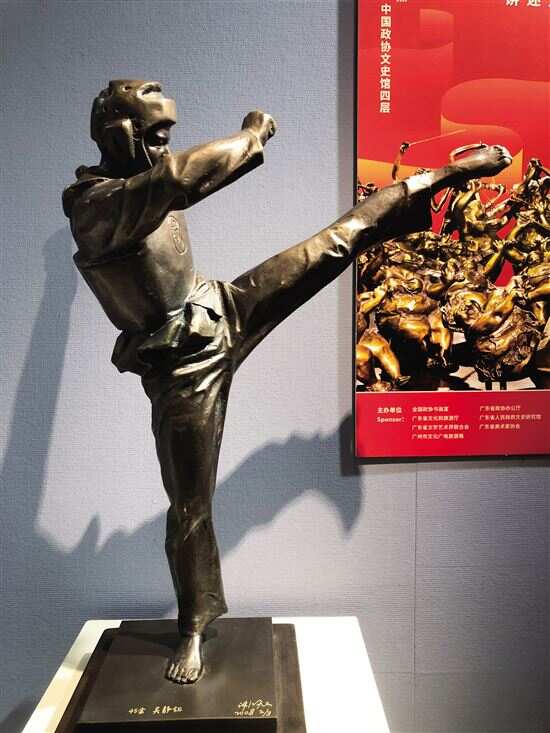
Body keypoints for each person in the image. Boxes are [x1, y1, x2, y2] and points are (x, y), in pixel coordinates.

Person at [63, 79, 511, 684]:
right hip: (181, 367)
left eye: (168, 138)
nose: (165, 149)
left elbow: (173, 180)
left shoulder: (142, 181)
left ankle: (439, 178)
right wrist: (251, 137)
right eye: (156, 136)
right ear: (120, 134)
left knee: (335, 242)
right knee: (191, 506)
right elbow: (179, 180)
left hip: (221, 306)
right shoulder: (95, 208)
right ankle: (194, 625)